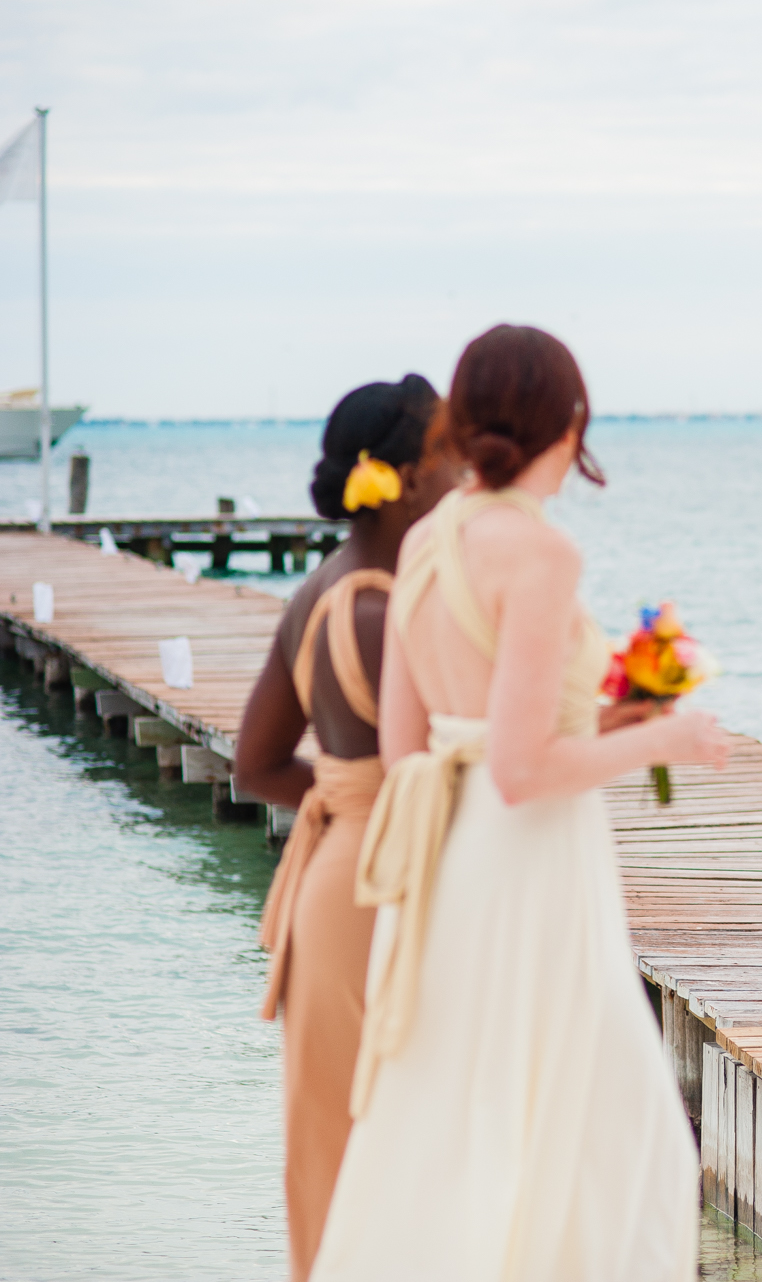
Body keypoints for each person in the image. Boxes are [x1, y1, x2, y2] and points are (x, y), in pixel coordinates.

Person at [309, 325, 728, 1281]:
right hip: (534, 860)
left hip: (456, 860)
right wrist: (669, 738)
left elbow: (410, 742)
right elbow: (522, 769)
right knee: (623, 1135)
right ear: (568, 420)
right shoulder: (540, 554)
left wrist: (614, 717)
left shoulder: (427, 536)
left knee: (470, 1116)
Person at [233, 373, 448, 1282]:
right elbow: (437, 762)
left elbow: (258, 765)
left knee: (341, 1127)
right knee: (386, 1131)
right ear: (401, 474)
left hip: (343, 867)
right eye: (445, 451)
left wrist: (346, 794)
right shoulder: (380, 607)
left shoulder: (322, 588)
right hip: (375, 880)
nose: (464, 469)